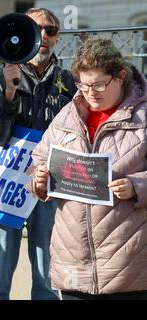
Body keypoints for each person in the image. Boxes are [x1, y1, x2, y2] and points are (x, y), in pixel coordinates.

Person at [29, 38, 147, 300]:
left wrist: (137, 186)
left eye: (99, 84)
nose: (90, 92)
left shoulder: (143, 117)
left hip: (129, 269)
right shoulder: (68, 115)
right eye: (83, 85)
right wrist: (39, 178)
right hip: (73, 266)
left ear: (121, 76)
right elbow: (39, 158)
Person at [0, 7, 77, 300]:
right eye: (38, 29)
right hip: (5, 185)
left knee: (46, 271)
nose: (44, 36)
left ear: (57, 38)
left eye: (51, 31)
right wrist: (8, 95)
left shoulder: (69, 81)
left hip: (49, 183)